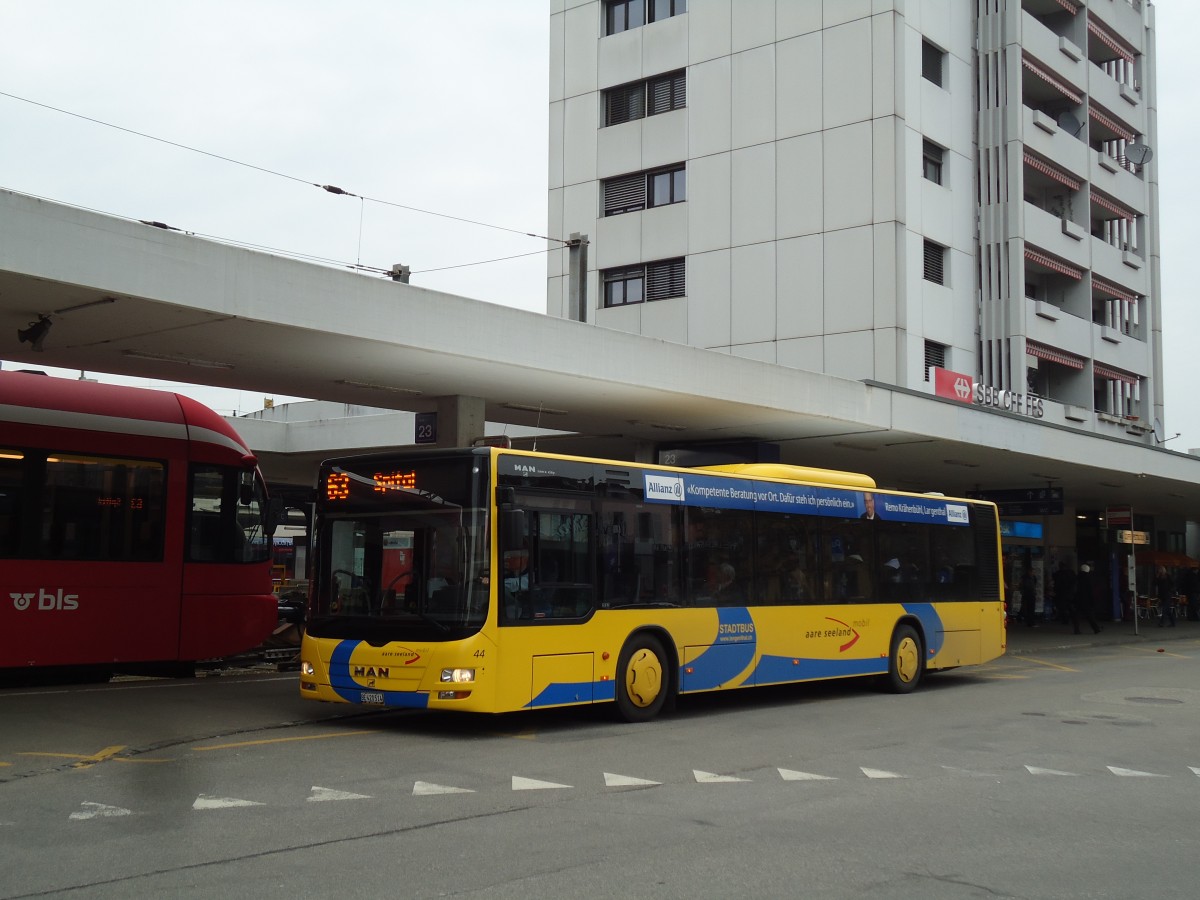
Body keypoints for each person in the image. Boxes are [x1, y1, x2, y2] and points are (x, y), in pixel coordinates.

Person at [1072, 564, 1102, 635]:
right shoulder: (1089, 578)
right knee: (1090, 616)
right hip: (1086, 600)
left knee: (1077, 616)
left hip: (1077, 599)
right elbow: (1091, 591)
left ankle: (1076, 630)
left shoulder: (1076, 577)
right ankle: (1096, 629)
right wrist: (1093, 601)